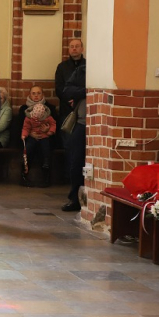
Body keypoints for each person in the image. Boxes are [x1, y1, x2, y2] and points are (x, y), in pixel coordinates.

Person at [62, 63, 86, 212]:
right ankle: (75, 198)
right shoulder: (82, 70)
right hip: (81, 122)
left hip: (99, 124)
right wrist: (85, 91)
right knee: (76, 161)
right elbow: (67, 90)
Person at [54, 38, 85, 145]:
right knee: (68, 143)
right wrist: (70, 101)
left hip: (83, 109)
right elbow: (59, 88)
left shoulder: (88, 66)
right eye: (72, 46)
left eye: (77, 46)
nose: (74, 49)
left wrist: (77, 100)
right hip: (67, 110)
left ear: (82, 49)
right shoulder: (62, 67)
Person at [21, 103, 57, 187]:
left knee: (46, 149)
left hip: (44, 136)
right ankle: (24, 169)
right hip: (32, 137)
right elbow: (26, 127)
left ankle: (46, 165)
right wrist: (24, 135)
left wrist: (50, 132)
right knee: (28, 149)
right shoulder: (29, 118)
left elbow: (53, 124)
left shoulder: (48, 117)